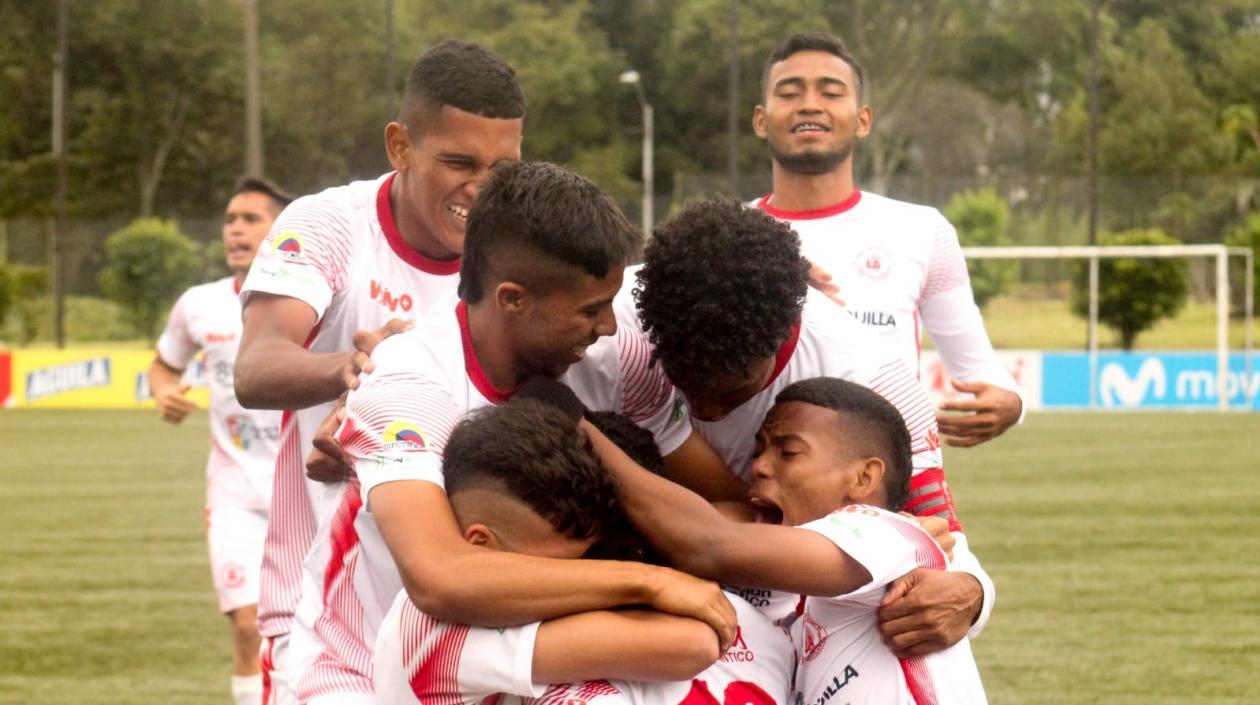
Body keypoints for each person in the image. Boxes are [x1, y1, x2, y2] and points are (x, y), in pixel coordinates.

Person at [291, 161, 740, 704]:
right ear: (511, 298)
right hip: (364, 674)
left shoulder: (612, 356)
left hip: (515, 659)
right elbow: (440, 578)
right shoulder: (411, 383)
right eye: (591, 310)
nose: (610, 327)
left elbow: (719, 503)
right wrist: (646, 581)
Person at [232, 40, 525, 705]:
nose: (479, 187)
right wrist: (365, 371)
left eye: (500, 167)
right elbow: (255, 365)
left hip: (472, 614)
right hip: (324, 624)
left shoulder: (520, 251)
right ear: (400, 145)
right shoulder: (330, 223)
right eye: (457, 161)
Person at [631, 198, 993, 653]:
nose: (707, 410)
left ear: (786, 332)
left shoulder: (873, 377)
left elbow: (942, 543)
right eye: (685, 380)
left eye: (734, 391)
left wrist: (975, 594)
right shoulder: (619, 326)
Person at [584, 376, 988, 703]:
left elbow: (709, 544)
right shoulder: (791, 601)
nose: (757, 466)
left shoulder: (882, 531)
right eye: (759, 450)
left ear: (863, 478)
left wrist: (575, 428)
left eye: (788, 453)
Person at [374, 401, 793, 705]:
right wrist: (651, 583)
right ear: (481, 543)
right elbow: (690, 644)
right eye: (564, 566)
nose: (584, 575)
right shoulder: (432, 635)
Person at [750, 31, 1023, 448]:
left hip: (892, 493)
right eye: (789, 92)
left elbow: (980, 369)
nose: (809, 103)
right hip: (759, 491)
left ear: (863, 120)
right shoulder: (726, 237)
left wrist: (1010, 402)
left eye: (830, 91)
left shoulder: (922, 230)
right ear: (760, 120)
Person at [148, 176, 294, 705]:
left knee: (308, 634)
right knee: (247, 627)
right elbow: (163, 366)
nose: (236, 229)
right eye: (231, 219)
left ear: (283, 230)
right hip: (234, 496)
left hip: (305, 494)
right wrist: (165, 393)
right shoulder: (198, 304)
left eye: (251, 219)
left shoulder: (311, 303)